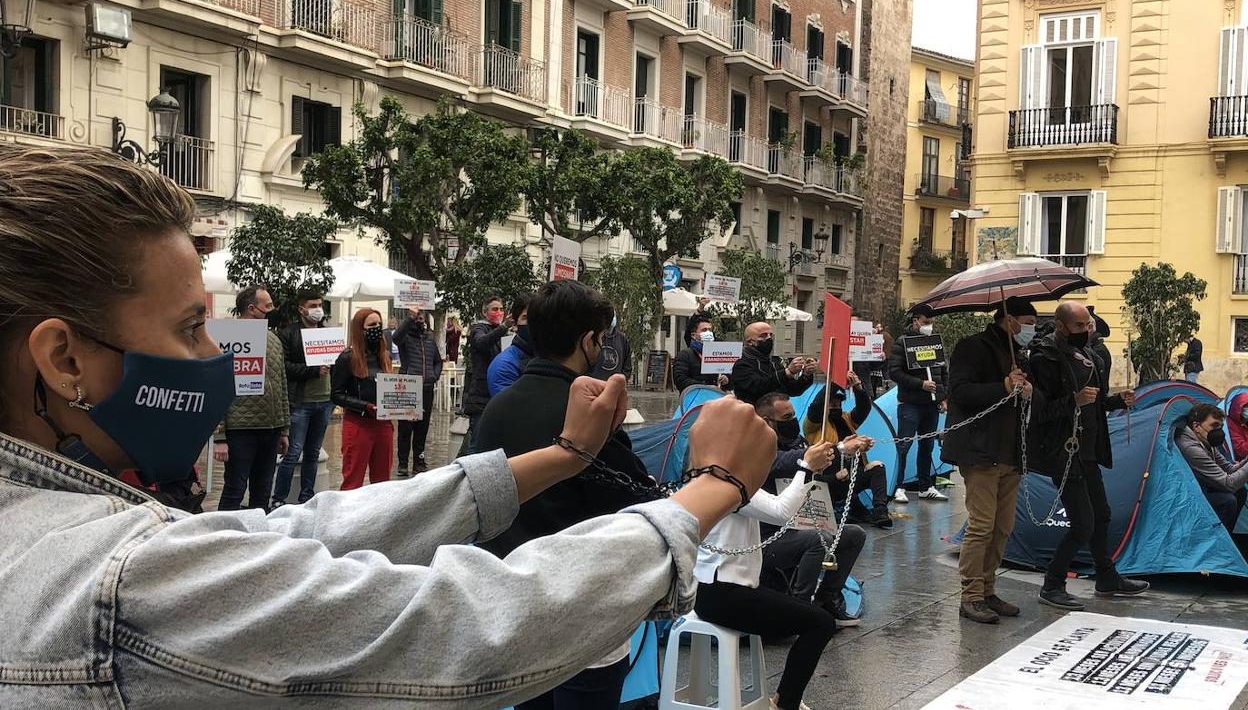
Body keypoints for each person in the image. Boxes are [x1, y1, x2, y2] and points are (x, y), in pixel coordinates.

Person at [0, 143, 789, 709]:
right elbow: (461, 629)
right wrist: (709, 491)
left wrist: (561, 455)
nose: (215, 356)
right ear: (64, 360)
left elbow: (299, 530)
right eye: (187, 329)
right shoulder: (116, 577)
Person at [476, 280, 656, 709]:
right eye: (602, 337)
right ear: (588, 341)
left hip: (514, 599)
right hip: (582, 604)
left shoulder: (497, 406)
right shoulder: (585, 412)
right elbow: (633, 503)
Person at [694, 437, 838, 710]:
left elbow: (777, 502)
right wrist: (806, 468)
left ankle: (785, 700)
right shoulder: (726, 482)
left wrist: (812, 466)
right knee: (820, 624)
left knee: (814, 620)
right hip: (723, 592)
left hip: (724, 588)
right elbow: (782, 512)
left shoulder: (722, 475)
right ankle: (785, 703)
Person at [1027, 302, 1149, 610]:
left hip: (1090, 449)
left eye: (1089, 325)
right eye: (1080, 326)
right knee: (1083, 523)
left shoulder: (1091, 357)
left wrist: (1116, 401)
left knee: (1101, 515)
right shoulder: (1045, 359)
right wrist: (1074, 401)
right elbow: (1039, 412)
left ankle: (1106, 577)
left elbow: (1094, 404)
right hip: (1063, 450)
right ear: (1060, 325)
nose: (1086, 331)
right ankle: (1052, 584)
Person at [943, 297, 1037, 625]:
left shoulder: (1018, 353)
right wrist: (1003, 385)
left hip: (1009, 451)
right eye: (1028, 321)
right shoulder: (973, 347)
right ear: (1009, 319)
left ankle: (987, 589)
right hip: (980, 451)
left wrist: (1024, 390)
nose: (1031, 328)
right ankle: (970, 595)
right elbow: (960, 393)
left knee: (1002, 527)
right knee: (981, 526)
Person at [755, 392, 869, 626]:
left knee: (854, 535)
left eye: (794, 415)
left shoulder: (797, 442)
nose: (793, 420)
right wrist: (835, 449)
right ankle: (800, 609)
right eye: (787, 417)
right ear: (768, 421)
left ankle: (826, 600)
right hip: (767, 538)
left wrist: (845, 456)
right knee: (817, 540)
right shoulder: (757, 449)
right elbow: (783, 462)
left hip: (803, 522)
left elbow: (820, 474)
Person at [212, 286, 289, 511]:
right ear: (251, 308)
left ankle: (259, 537)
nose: (271, 309)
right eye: (267, 305)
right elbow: (218, 388)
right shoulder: (227, 336)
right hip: (240, 430)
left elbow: (281, 384)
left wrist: (283, 429)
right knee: (234, 490)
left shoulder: (274, 340)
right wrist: (220, 437)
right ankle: (223, 538)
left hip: (270, 429)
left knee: (262, 493)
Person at [803, 371, 893, 528]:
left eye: (839, 403)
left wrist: (857, 386)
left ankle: (880, 511)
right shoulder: (814, 424)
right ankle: (853, 506)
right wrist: (837, 382)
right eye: (832, 403)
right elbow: (817, 405)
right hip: (828, 477)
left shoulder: (846, 419)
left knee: (877, 467)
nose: (836, 405)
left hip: (851, 474)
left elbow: (864, 408)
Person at [272, 287, 334, 508]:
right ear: (301, 309)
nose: (318, 310)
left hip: (325, 401)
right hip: (301, 402)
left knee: (313, 453)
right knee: (292, 452)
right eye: (313, 306)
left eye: (320, 305)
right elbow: (284, 367)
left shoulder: (327, 333)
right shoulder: (289, 334)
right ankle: (279, 499)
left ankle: (306, 498)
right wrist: (312, 370)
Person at [888, 304, 948, 503]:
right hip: (910, 403)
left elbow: (942, 372)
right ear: (915, 322)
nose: (929, 326)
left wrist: (942, 397)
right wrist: (920, 384)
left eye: (931, 323)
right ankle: (898, 486)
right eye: (926, 322)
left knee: (927, 445)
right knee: (903, 445)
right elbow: (894, 372)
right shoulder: (902, 343)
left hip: (931, 405)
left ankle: (926, 485)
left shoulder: (935, 343)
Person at [331, 308, 395, 490]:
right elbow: (336, 395)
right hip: (358, 425)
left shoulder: (385, 357)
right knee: (353, 480)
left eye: (379, 324)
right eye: (371, 325)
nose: (377, 328)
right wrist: (364, 406)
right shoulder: (347, 358)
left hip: (383, 425)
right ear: (360, 329)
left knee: (382, 482)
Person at [1177, 405, 1248, 533]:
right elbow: (1228, 484)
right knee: (1227, 501)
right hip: (1186, 497)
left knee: (1241, 491)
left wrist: (1245, 461)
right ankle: (1214, 539)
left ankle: (1227, 537)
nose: (1219, 431)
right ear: (1196, 426)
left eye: (1220, 427)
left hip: (1203, 487)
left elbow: (1229, 469)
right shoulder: (1190, 448)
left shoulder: (1205, 440)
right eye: (1214, 426)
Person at [458, 297, 513, 456]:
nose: (499, 312)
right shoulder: (478, 328)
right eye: (494, 309)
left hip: (499, 394)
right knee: (476, 443)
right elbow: (482, 343)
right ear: (484, 312)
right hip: (482, 395)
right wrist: (503, 327)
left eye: (501, 309)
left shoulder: (504, 333)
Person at [393, 307, 442, 476]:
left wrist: (433, 376)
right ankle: (403, 463)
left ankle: (419, 461)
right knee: (405, 429)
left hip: (427, 388)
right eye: (417, 317)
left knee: (422, 428)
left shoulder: (429, 338)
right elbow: (395, 337)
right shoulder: (404, 337)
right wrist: (409, 318)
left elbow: (437, 361)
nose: (420, 320)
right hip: (408, 387)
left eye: (422, 318)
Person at [731, 321, 816, 405]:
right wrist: (787, 372)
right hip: (754, 416)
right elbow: (759, 388)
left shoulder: (774, 363)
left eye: (770, 335)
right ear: (750, 342)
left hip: (780, 415)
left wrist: (806, 374)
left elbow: (793, 390)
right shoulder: (742, 365)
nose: (769, 338)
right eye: (763, 336)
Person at [487, 293, 534, 396]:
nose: (533, 322)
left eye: (537, 317)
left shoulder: (551, 357)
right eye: (526, 317)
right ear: (515, 324)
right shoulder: (504, 365)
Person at [673, 316, 731, 392]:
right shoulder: (685, 355)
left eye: (710, 330)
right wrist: (705, 387)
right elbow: (680, 380)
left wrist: (727, 380)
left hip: (717, 398)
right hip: (695, 399)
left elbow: (731, 378)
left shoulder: (719, 353)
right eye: (704, 330)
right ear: (693, 335)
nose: (708, 333)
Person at [591, 316, 632, 381]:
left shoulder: (622, 339)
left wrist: (622, 380)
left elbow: (627, 365)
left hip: (615, 385)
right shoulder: (595, 336)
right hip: (595, 384)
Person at [1228, 393, 1248, 463]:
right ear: (1239, 409)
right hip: (1243, 462)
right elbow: (1241, 450)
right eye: (1247, 407)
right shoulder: (1230, 424)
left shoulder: (1246, 420)